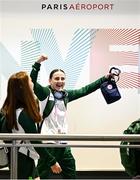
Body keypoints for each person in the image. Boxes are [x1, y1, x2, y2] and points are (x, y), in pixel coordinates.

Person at [30, 55, 115, 179]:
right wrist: (37, 63)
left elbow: (85, 90)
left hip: (63, 143)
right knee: (42, 176)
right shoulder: (44, 94)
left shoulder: (66, 95)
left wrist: (104, 78)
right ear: (50, 81)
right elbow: (32, 81)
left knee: (71, 173)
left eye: (63, 78)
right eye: (56, 78)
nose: (60, 81)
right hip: (48, 143)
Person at [0, 71, 62, 179]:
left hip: (19, 156)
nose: (33, 83)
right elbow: (35, 141)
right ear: (23, 87)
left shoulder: (9, 109)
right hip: (23, 159)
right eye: (30, 81)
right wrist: (52, 162)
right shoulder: (23, 114)